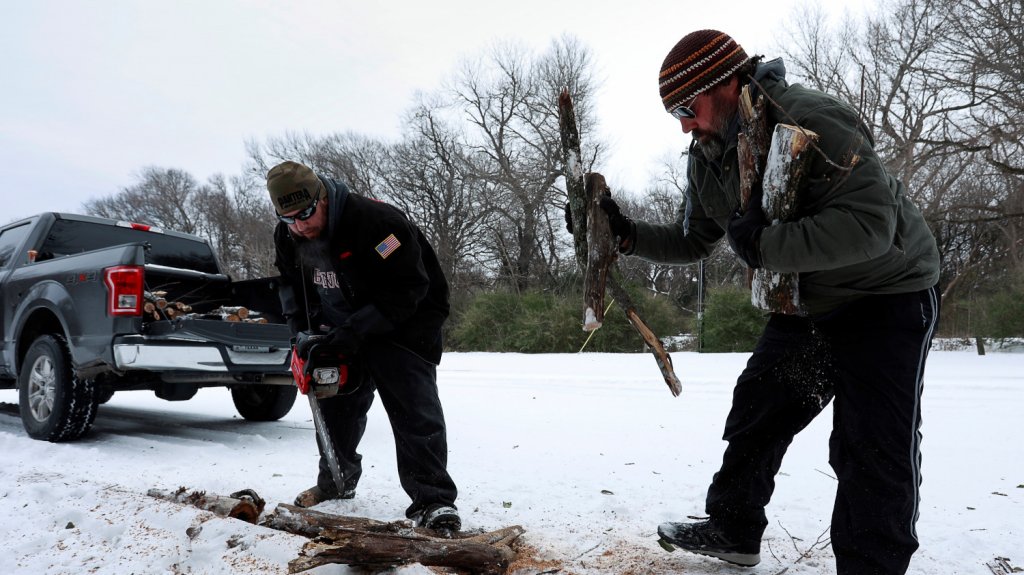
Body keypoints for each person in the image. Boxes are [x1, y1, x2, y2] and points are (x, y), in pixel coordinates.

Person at [595, 30, 941, 573]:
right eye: (674, 115)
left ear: (727, 84)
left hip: (886, 295)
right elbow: (696, 239)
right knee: (758, 409)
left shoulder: (812, 118)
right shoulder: (709, 152)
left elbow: (870, 227)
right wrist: (628, 236)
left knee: (872, 444)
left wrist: (763, 245)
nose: (683, 125)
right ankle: (734, 530)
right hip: (805, 301)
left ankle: (872, 565)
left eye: (687, 108)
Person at [267, 160, 460, 532]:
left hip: (405, 324)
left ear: (323, 198)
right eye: (288, 218)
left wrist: (355, 330)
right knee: (334, 404)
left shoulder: (378, 224)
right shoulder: (288, 236)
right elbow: (291, 284)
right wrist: (302, 334)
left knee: (413, 411)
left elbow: (409, 288)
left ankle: (434, 502)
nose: (300, 226)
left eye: (305, 214)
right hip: (340, 326)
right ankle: (336, 482)